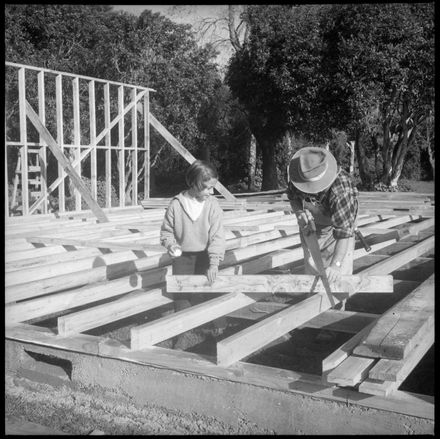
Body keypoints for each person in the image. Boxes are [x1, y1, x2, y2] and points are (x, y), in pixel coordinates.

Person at [160, 160, 226, 348]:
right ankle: (182, 332)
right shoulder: (176, 205)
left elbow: (217, 236)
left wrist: (214, 264)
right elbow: (166, 232)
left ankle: (219, 328)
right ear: (194, 184)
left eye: (213, 188)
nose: (211, 192)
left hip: (206, 255)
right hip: (183, 257)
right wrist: (171, 245)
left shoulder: (212, 205)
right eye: (207, 188)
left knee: (210, 289)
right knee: (182, 294)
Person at [286, 146, 358, 283]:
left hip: (340, 222)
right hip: (314, 222)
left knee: (340, 272)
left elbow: (343, 233)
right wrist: (299, 213)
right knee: (312, 263)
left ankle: (337, 302)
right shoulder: (299, 173)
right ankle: (313, 297)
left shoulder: (341, 191)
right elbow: (292, 197)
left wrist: (335, 265)